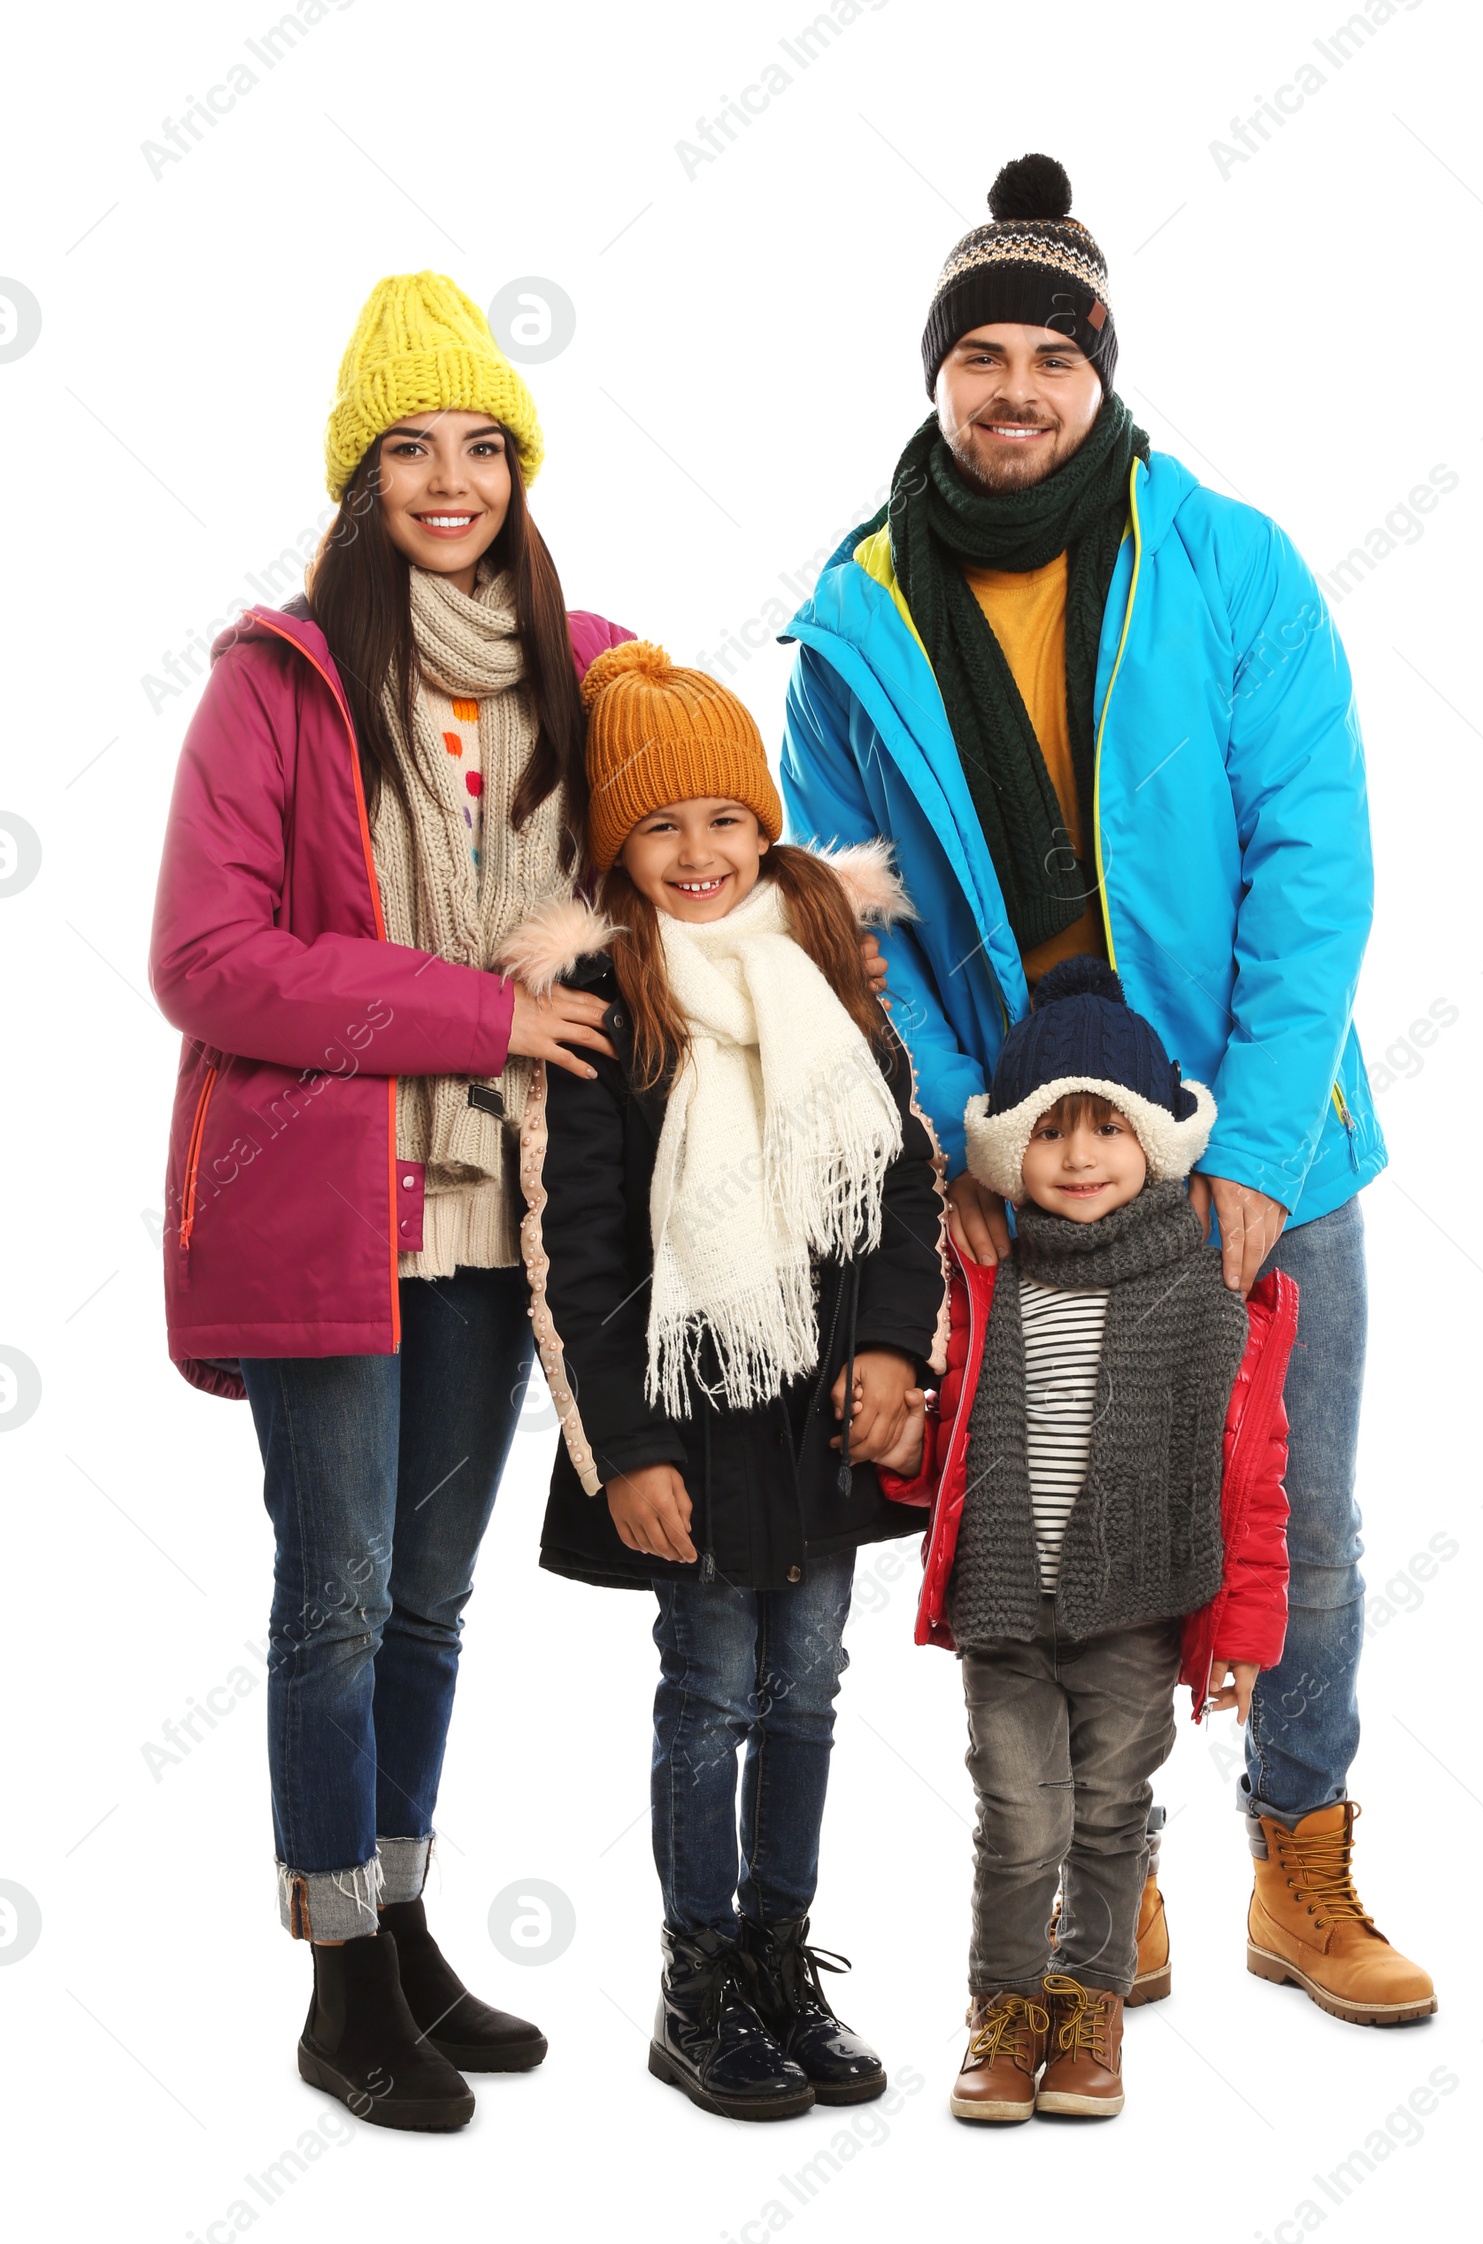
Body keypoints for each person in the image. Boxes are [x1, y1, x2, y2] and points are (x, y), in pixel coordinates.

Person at [781, 152, 1435, 2023]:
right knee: (1072, 1521)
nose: (1012, 390)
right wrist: (952, 1140)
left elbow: (1317, 860)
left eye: (1046, 357)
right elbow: (854, 914)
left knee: (1292, 1516)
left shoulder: (1230, 560)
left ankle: (1301, 1861)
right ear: (939, 376)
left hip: (1262, 1133)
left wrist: (1267, 1130)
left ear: (1099, 369)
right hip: (1030, 1153)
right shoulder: (864, 604)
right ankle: (1108, 1866)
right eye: (977, 353)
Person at [149, 272, 634, 2131]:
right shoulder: (276, 682)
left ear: (521, 464)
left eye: (484, 442)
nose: (453, 477)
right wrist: (485, 1007)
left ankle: (407, 1918)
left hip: (494, 1211)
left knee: (431, 1597)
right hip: (330, 1208)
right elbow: (210, 958)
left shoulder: (581, 670)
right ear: (359, 477)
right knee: (336, 1592)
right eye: (410, 446)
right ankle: (338, 1977)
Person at [504, 642, 943, 2120]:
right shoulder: (605, 994)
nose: (699, 854)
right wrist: (621, 1448)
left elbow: (899, 1185)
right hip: (690, 1420)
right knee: (710, 1692)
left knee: (807, 1689)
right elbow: (568, 1244)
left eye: (726, 820)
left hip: (816, 1413)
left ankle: (774, 1953)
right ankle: (697, 1981)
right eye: (660, 826)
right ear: (618, 852)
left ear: (766, 828)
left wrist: (892, 1350)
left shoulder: (826, 973)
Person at [881, 957, 1301, 2118]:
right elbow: (952, 1446)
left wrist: (1246, 1631)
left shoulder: (1207, 1292)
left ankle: (1089, 2007)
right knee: (1019, 1820)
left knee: (1112, 1814)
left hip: (1139, 1606)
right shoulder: (984, 1280)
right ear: (1010, 1147)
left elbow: (1252, 1487)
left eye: (1104, 1127)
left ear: (1155, 1141)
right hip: (1005, 1608)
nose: (1076, 1156)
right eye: (1050, 1130)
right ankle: (1004, 2008)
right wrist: (907, 1451)